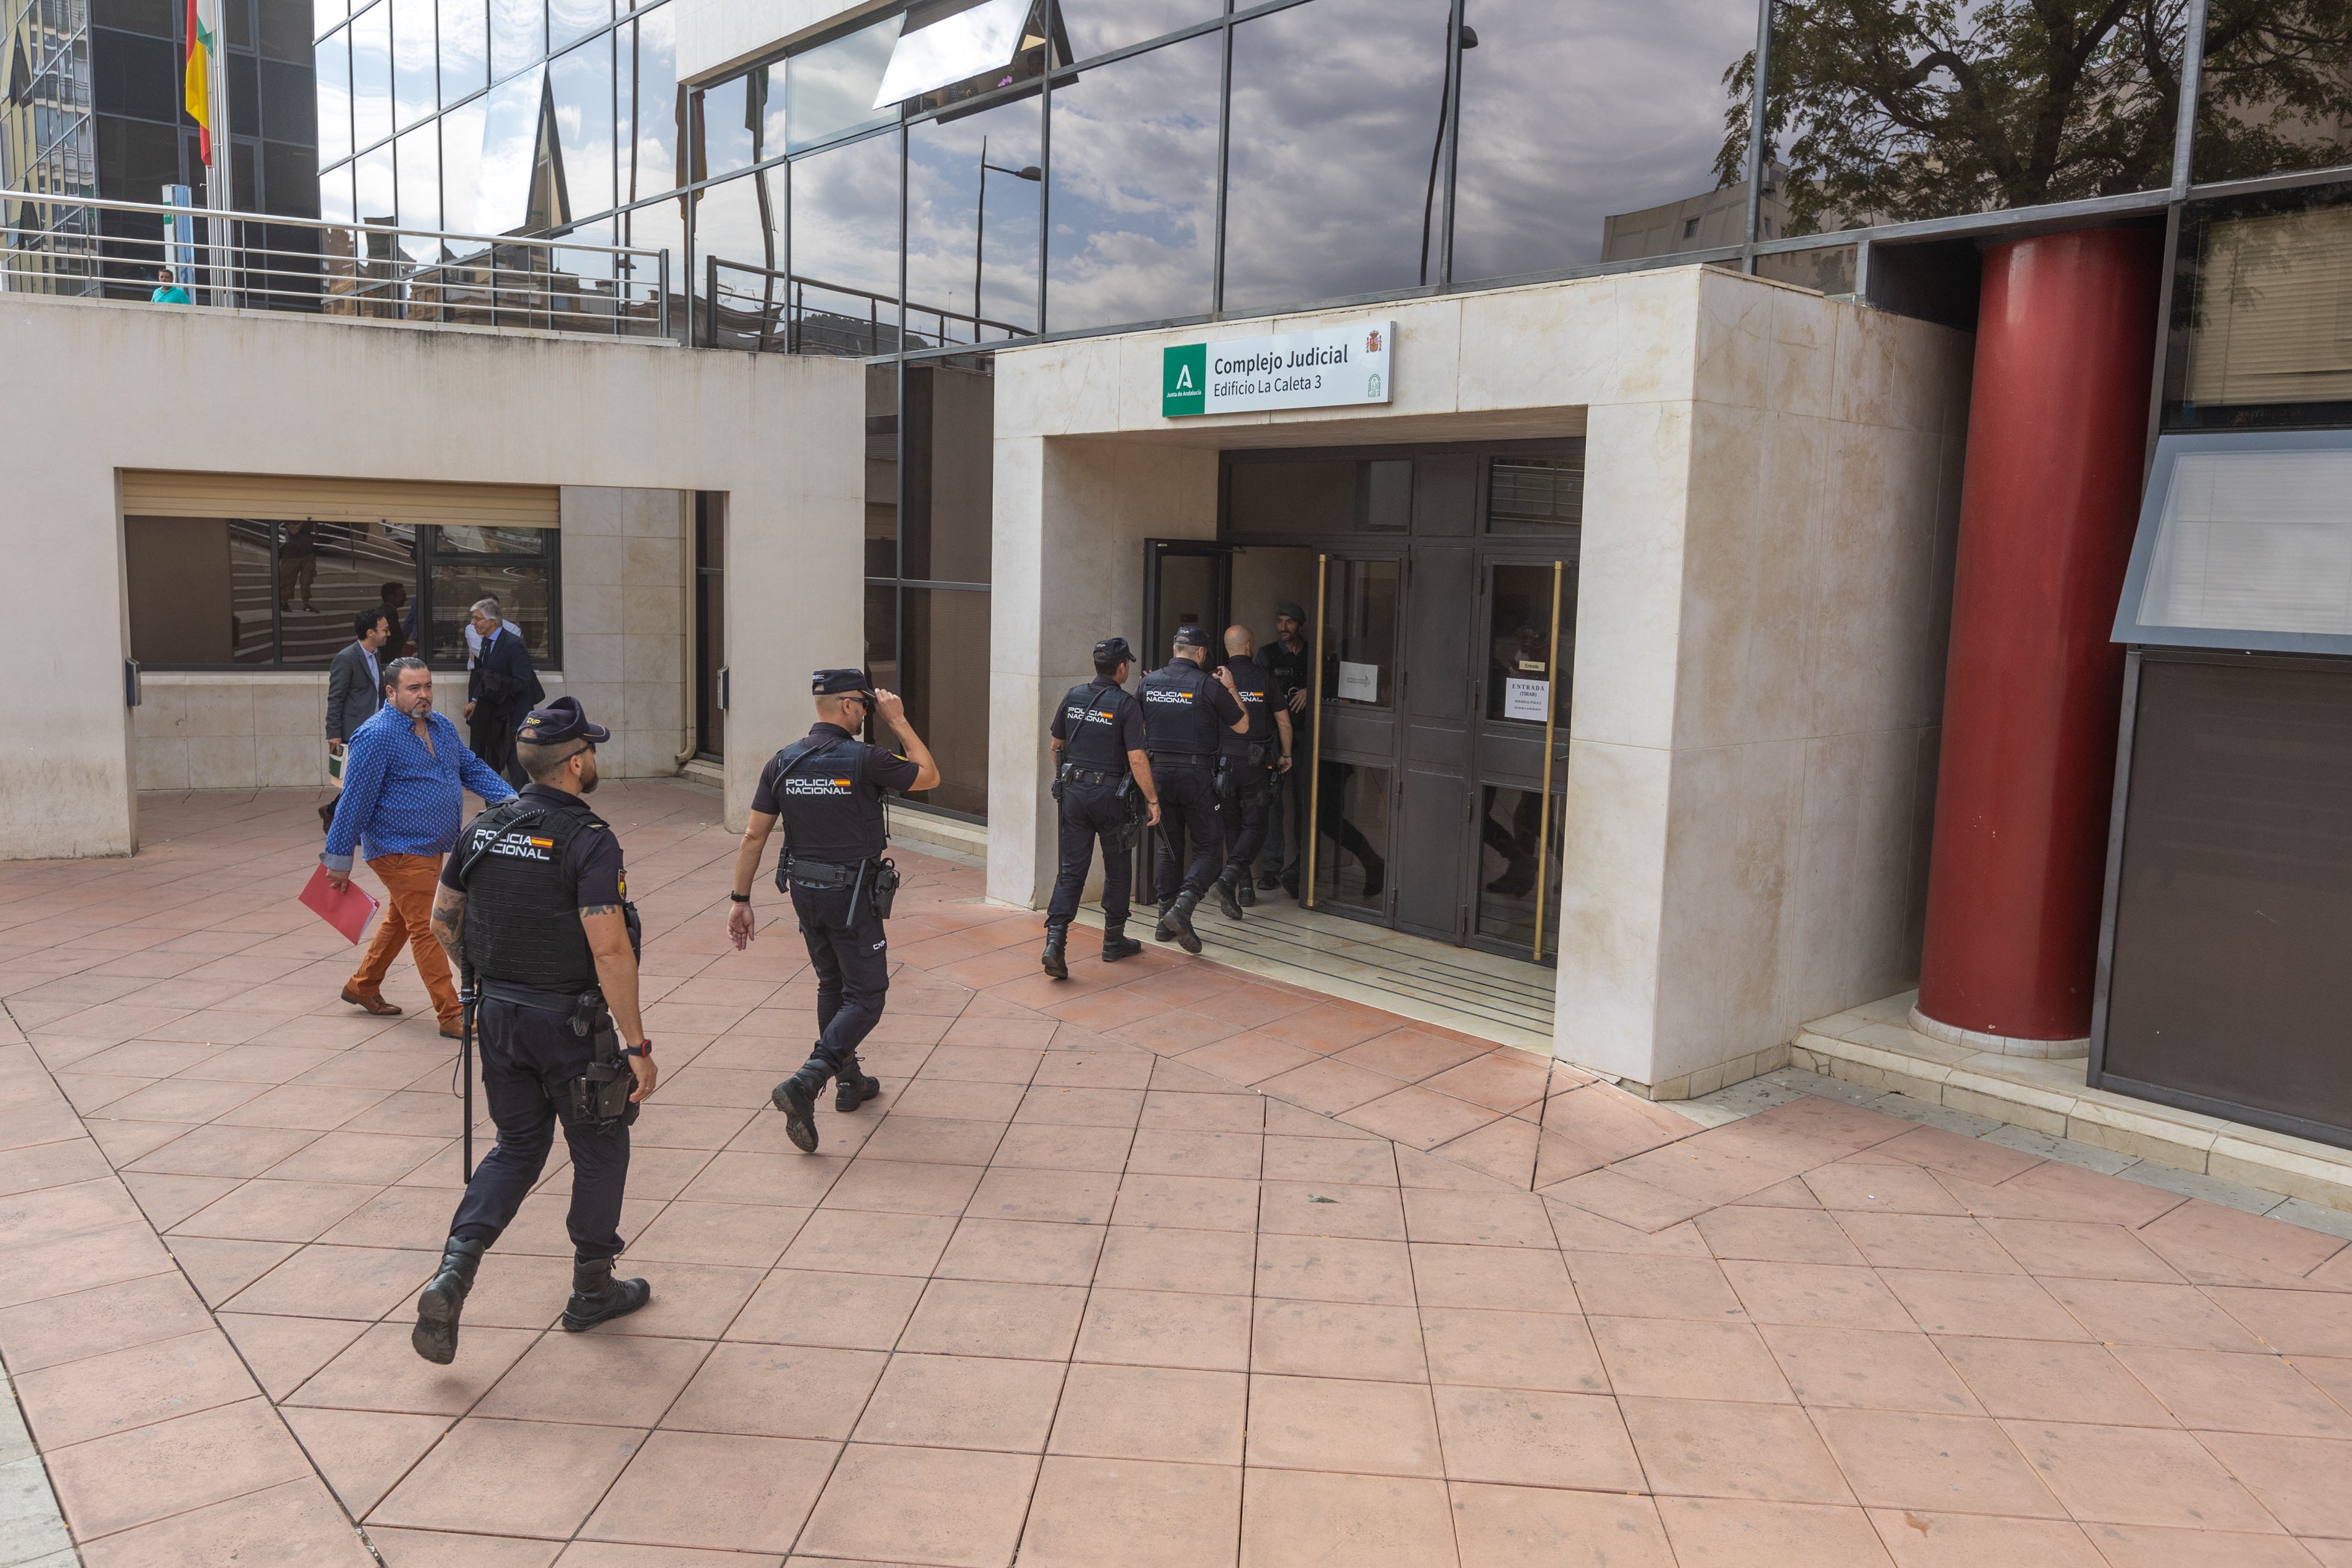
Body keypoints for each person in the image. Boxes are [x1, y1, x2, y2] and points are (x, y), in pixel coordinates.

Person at [414, 697, 656, 1363]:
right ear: (575, 764)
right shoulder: (589, 839)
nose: (595, 760)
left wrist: (491, 979)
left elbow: (443, 922)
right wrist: (635, 1046)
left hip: (498, 1018)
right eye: (593, 752)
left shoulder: (484, 828)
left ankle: (453, 1273)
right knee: (601, 1147)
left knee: (517, 1147)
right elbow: (609, 950)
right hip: (569, 1027)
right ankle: (592, 1290)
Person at [726, 670, 939, 1154]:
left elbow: (753, 836)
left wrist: (740, 901)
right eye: (863, 705)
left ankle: (849, 1079)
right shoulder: (865, 759)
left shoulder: (783, 761)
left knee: (831, 984)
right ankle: (808, 1080)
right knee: (867, 996)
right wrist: (900, 721)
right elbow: (929, 776)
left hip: (805, 890)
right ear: (846, 706)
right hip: (852, 896)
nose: (867, 713)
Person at [324, 658, 517, 1037]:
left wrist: (514, 801)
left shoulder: (441, 725)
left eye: (428, 686)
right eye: (414, 688)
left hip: (432, 846)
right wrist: (339, 857)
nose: (424, 695)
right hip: (397, 848)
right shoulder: (375, 735)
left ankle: (363, 985)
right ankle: (451, 1015)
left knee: (402, 918)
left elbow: (472, 767)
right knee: (429, 927)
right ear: (391, 692)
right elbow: (354, 800)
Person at [1041, 637, 1162, 980]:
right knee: (1118, 868)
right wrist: (1152, 799)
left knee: (1071, 871)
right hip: (1112, 800)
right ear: (1122, 667)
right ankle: (1113, 940)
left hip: (1074, 795)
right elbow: (1137, 758)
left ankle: (1055, 942)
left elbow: (1056, 746)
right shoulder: (1126, 705)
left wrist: (1067, 781)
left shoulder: (1073, 695)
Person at [1141, 626, 1248, 953]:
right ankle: (1182, 909)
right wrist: (1230, 686)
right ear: (1200, 654)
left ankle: (1163, 922)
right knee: (1211, 849)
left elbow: (1137, 726)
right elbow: (1243, 724)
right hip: (1195, 776)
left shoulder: (1148, 682)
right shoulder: (1207, 685)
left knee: (1169, 846)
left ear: (1175, 649)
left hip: (1157, 773)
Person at [1211, 625, 1293, 918]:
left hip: (1222, 764)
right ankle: (1232, 880)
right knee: (1256, 825)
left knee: (1231, 825)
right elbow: (1284, 722)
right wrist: (1286, 754)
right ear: (1249, 647)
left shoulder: (1216, 680)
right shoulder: (1264, 677)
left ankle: (1244, 887)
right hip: (1256, 764)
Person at [320, 606, 393, 831]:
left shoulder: (376, 654)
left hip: (375, 728)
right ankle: (339, 817)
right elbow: (336, 698)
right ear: (370, 633)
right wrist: (334, 733)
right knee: (358, 781)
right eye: (385, 630)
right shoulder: (346, 658)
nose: (388, 634)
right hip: (355, 731)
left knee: (365, 780)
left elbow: (376, 691)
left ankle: (334, 812)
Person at [1258, 601, 1312, 897]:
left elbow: (1335, 684)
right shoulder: (1266, 654)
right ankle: (1271, 868)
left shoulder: (1315, 654)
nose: (1283, 628)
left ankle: (1303, 866)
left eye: (1289, 622)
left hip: (1306, 736)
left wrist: (1312, 689)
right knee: (1272, 803)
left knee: (1305, 802)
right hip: (1276, 738)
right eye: (1279, 621)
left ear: (1301, 625)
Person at [464, 597, 541, 785]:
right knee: (491, 763)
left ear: (491, 621)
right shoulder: (485, 642)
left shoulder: (514, 644)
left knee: (515, 764)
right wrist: (475, 700)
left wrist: (495, 685)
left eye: (477, 618)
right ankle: (494, 808)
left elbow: (522, 682)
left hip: (514, 715)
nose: (473, 623)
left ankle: (521, 809)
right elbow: (483, 675)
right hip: (494, 715)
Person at [279, 520, 319, 614]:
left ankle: (306, 604)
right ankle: (284, 602)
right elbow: (294, 530)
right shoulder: (290, 518)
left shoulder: (310, 519)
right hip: (293, 554)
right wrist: (303, 521)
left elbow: (316, 532)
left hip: (308, 553)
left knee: (307, 580)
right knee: (287, 578)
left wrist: (313, 522)